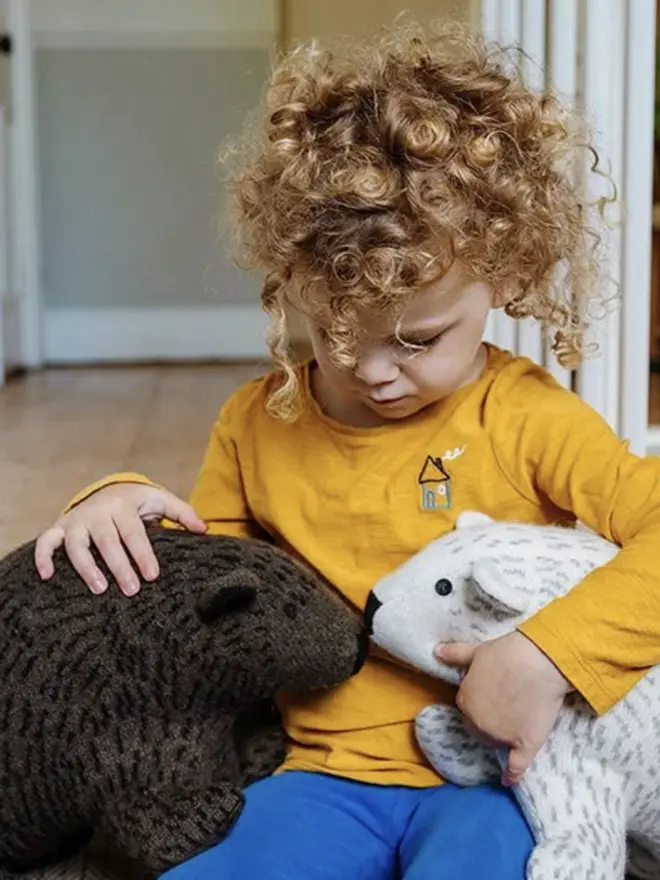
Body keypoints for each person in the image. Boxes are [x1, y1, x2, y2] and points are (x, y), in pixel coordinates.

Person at [34, 19, 660, 880]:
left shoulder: (527, 419)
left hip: (493, 781)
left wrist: (549, 652)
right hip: (319, 778)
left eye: (415, 338)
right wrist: (117, 498)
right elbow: (208, 591)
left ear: (507, 273)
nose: (372, 371)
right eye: (333, 330)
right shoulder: (257, 423)